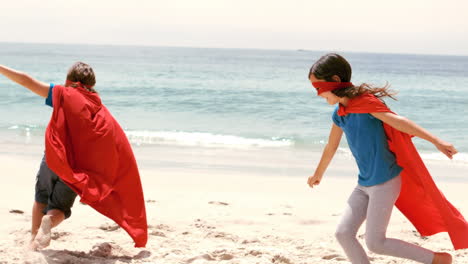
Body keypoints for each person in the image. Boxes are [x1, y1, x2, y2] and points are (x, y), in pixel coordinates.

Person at [306, 53, 468, 264]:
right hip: (363, 184)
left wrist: (436, 141)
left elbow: (399, 121)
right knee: (343, 233)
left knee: (376, 243)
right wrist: (318, 174)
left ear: (335, 81)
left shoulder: (365, 104)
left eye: (318, 88)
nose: (318, 95)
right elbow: (331, 146)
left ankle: (438, 260)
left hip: (385, 182)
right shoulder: (340, 113)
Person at [0, 62, 147, 250]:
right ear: (92, 85)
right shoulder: (98, 108)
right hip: (75, 171)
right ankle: (49, 222)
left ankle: (33, 240)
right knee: (60, 208)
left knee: (41, 196)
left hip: (53, 159)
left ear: (69, 80)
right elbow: (114, 142)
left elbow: (26, 80)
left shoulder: (62, 93)